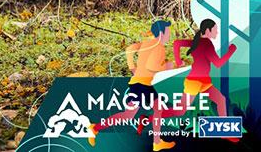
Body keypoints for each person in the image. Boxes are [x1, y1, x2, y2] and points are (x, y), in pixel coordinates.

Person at [88, 20, 176, 151]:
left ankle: (157, 142)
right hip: (142, 86)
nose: (170, 34)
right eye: (168, 32)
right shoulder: (159, 47)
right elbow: (152, 67)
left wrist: (132, 67)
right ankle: (95, 128)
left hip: (143, 84)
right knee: (129, 115)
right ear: (162, 33)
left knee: (156, 110)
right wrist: (168, 67)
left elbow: (129, 49)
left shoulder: (148, 43)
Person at [158, 18, 238, 141]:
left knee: (221, 100)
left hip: (204, 82)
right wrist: (231, 51)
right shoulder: (206, 43)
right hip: (195, 82)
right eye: (215, 30)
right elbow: (218, 63)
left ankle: (224, 133)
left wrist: (179, 61)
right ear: (208, 30)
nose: (217, 33)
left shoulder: (197, 41)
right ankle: (152, 117)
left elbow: (177, 43)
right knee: (180, 111)